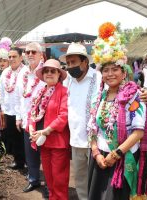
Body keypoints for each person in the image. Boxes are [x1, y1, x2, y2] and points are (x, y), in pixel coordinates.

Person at [88, 22, 147, 200]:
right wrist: (96, 153)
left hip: (122, 158)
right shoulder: (98, 98)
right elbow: (92, 128)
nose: (110, 74)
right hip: (99, 158)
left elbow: (138, 132)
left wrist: (116, 155)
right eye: (106, 70)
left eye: (114, 69)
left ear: (124, 72)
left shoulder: (134, 96)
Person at [59, 42, 97, 200]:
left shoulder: (98, 78)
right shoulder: (68, 81)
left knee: (96, 178)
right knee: (80, 178)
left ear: (85, 62)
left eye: (73, 62)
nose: (69, 66)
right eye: (67, 63)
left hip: (95, 140)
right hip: (76, 138)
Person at [29, 59, 70, 200]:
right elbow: (32, 113)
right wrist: (30, 128)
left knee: (59, 178)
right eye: (46, 71)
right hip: (43, 142)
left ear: (59, 74)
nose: (49, 73)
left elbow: (64, 116)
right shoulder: (40, 91)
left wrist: (46, 130)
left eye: (53, 71)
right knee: (49, 177)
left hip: (58, 142)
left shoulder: (64, 92)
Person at [15, 42, 45, 193]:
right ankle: (34, 179)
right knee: (30, 151)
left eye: (34, 52)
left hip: (45, 120)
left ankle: (51, 182)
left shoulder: (48, 71)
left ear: (41, 54)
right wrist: (18, 117)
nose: (30, 55)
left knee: (47, 152)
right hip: (28, 120)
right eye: (28, 52)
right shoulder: (23, 73)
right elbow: (19, 97)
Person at [0, 47, 25, 167]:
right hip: (9, 110)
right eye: (9, 57)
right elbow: (2, 92)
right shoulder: (5, 72)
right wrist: (3, 108)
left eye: (14, 56)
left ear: (21, 58)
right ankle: (18, 160)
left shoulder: (25, 71)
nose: (11, 59)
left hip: (22, 111)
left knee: (23, 137)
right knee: (12, 136)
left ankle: (27, 161)